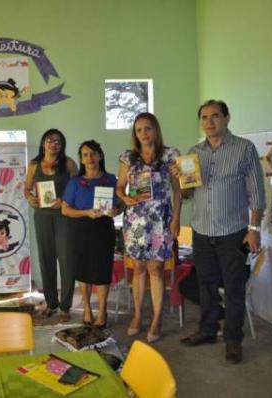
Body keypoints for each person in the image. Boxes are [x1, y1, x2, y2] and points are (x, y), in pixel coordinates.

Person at [174, 100, 265, 364]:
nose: (209, 122)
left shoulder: (244, 149)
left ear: (227, 118)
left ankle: (233, 339)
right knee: (205, 285)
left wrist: (254, 229)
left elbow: (257, 192)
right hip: (202, 231)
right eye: (204, 117)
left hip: (233, 233)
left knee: (234, 288)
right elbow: (188, 194)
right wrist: (180, 180)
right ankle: (208, 330)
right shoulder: (193, 153)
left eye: (215, 116)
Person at [116, 112, 182, 343]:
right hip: (135, 220)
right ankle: (137, 315)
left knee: (156, 268)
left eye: (148, 128)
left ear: (156, 129)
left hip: (161, 219)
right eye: (139, 130)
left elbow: (178, 190)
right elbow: (120, 187)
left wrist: (176, 220)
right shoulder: (128, 158)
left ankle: (156, 318)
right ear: (135, 134)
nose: (144, 133)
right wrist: (125, 199)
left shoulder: (170, 155)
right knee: (139, 269)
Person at [62, 140, 118, 328]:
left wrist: (116, 211)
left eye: (93, 153)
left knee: (102, 271)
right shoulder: (75, 182)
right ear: (81, 159)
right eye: (85, 155)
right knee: (83, 272)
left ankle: (102, 311)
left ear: (100, 156)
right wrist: (86, 212)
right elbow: (65, 209)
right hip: (80, 230)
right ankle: (87, 308)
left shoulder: (111, 179)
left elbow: (122, 203)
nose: (90, 158)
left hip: (103, 229)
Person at [24, 129, 78, 323]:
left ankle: (65, 306)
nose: (53, 144)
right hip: (42, 217)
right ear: (43, 143)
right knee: (46, 260)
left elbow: (78, 187)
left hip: (64, 217)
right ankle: (51, 303)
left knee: (66, 261)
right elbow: (26, 188)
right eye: (49, 140)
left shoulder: (69, 164)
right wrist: (30, 198)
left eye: (58, 141)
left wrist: (63, 200)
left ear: (62, 145)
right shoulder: (34, 165)